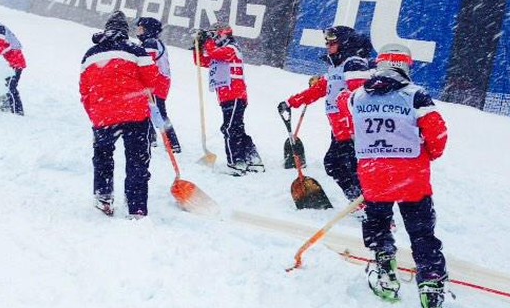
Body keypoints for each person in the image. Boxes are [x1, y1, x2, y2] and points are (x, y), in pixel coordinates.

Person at [338, 43, 453, 308]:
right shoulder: (416, 95)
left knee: (378, 226)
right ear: (405, 67)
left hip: (374, 176)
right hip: (411, 178)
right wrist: (424, 153)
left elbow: (349, 128)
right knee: (423, 236)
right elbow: (437, 136)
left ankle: (385, 273)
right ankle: (432, 297)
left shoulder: (355, 97)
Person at [278, 25, 375, 205]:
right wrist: (292, 102)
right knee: (334, 165)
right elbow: (320, 89)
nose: (328, 46)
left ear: (344, 43)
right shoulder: (335, 67)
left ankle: (374, 211)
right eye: (327, 42)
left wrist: (350, 118)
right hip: (338, 130)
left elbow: (360, 96)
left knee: (351, 169)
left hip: (352, 130)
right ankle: (360, 203)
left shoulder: (354, 63)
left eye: (332, 42)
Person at [80, 11, 160, 218]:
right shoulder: (137, 51)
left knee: (103, 156)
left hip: (103, 114)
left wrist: (95, 114)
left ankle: (104, 198)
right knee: (137, 160)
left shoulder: (89, 54)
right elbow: (153, 82)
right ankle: (137, 207)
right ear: (126, 32)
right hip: (135, 113)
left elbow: (84, 90)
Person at [194, 22, 263, 176]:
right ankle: (252, 158)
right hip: (225, 97)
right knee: (236, 128)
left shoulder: (232, 48)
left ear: (222, 34)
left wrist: (208, 42)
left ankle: (235, 162)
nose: (212, 38)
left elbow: (215, 53)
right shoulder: (218, 51)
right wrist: (197, 46)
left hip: (235, 95)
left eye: (214, 35)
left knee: (230, 128)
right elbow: (202, 61)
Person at [135, 17, 181, 153]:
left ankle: (172, 142)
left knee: (158, 111)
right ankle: (152, 137)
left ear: (148, 31)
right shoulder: (153, 42)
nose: (138, 30)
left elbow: (147, 62)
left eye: (141, 28)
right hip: (160, 80)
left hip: (157, 81)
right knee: (148, 109)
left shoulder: (150, 43)